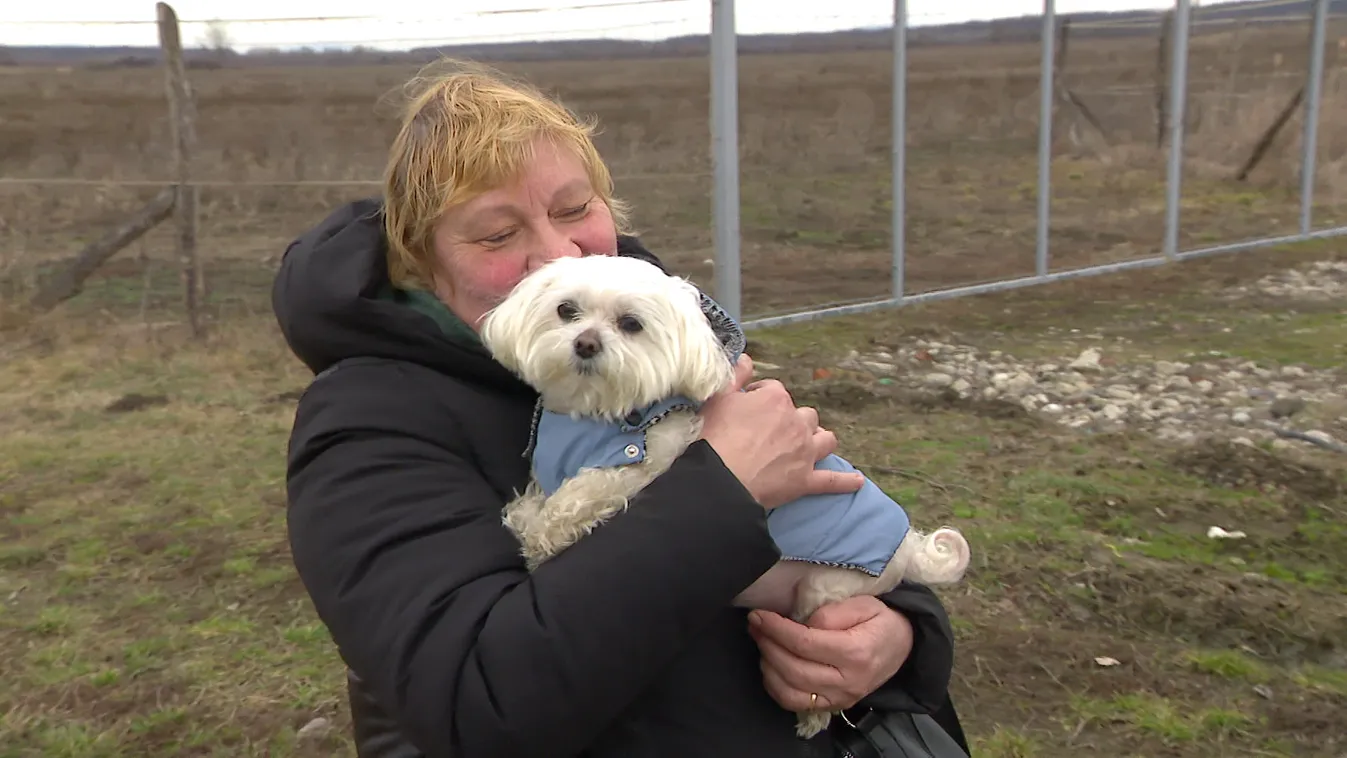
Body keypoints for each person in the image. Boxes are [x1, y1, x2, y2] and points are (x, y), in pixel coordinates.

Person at [271, 58, 969, 758]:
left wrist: (896, 636)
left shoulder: (668, 340)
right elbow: (473, 705)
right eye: (495, 235)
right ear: (422, 260)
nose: (554, 254)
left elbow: (828, 521)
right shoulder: (367, 426)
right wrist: (723, 489)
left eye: (575, 209)